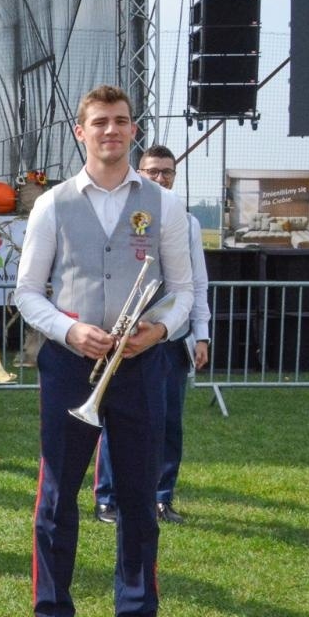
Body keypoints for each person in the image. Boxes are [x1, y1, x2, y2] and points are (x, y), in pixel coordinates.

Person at [14, 85, 193, 617]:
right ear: (80, 131)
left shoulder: (165, 204)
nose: (110, 130)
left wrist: (159, 331)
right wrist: (70, 332)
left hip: (140, 365)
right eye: (99, 122)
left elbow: (183, 290)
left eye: (120, 121)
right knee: (57, 496)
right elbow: (27, 293)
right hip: (72, 364)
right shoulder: (52, 203)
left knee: (139, 498)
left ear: (133, 129)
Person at [93, 145, 210, 526]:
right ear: (138, 174)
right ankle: (108, 498)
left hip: (171, 337)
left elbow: (197, 283)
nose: (160, 178)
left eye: (167, 172)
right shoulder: (122, 215)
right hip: (127, 335)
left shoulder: (188, 222)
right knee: (116, 419)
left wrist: (202, 334)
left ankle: (161, 497)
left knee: (168, 423)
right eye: (152, 171)